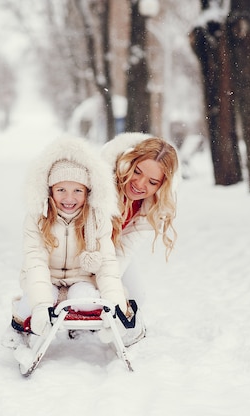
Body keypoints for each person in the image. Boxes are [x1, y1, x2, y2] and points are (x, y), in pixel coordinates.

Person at [5, 136, 127, 346]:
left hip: (81, 279)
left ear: (87, 193)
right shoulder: (38, 218)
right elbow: (36, 261)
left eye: (77, 190)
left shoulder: (97, 219)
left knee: (89, 302)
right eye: (61, 190)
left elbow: (106, 263)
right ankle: (22, 329)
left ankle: (104, 322)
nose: (69, 198)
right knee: (31, 306)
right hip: (47, 277)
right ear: (50, 190)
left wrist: (115, 306)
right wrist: (41, 305)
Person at [101, 132, 180, 343]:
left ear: (161, 186)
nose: (140, 184)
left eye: (152, 181)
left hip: (114, 250)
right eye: (137, 171)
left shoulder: (152, 206)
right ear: (128, 161)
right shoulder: (101, 183)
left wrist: (107, 285)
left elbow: (125, 250)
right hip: (78, 251)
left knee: (136, 296)